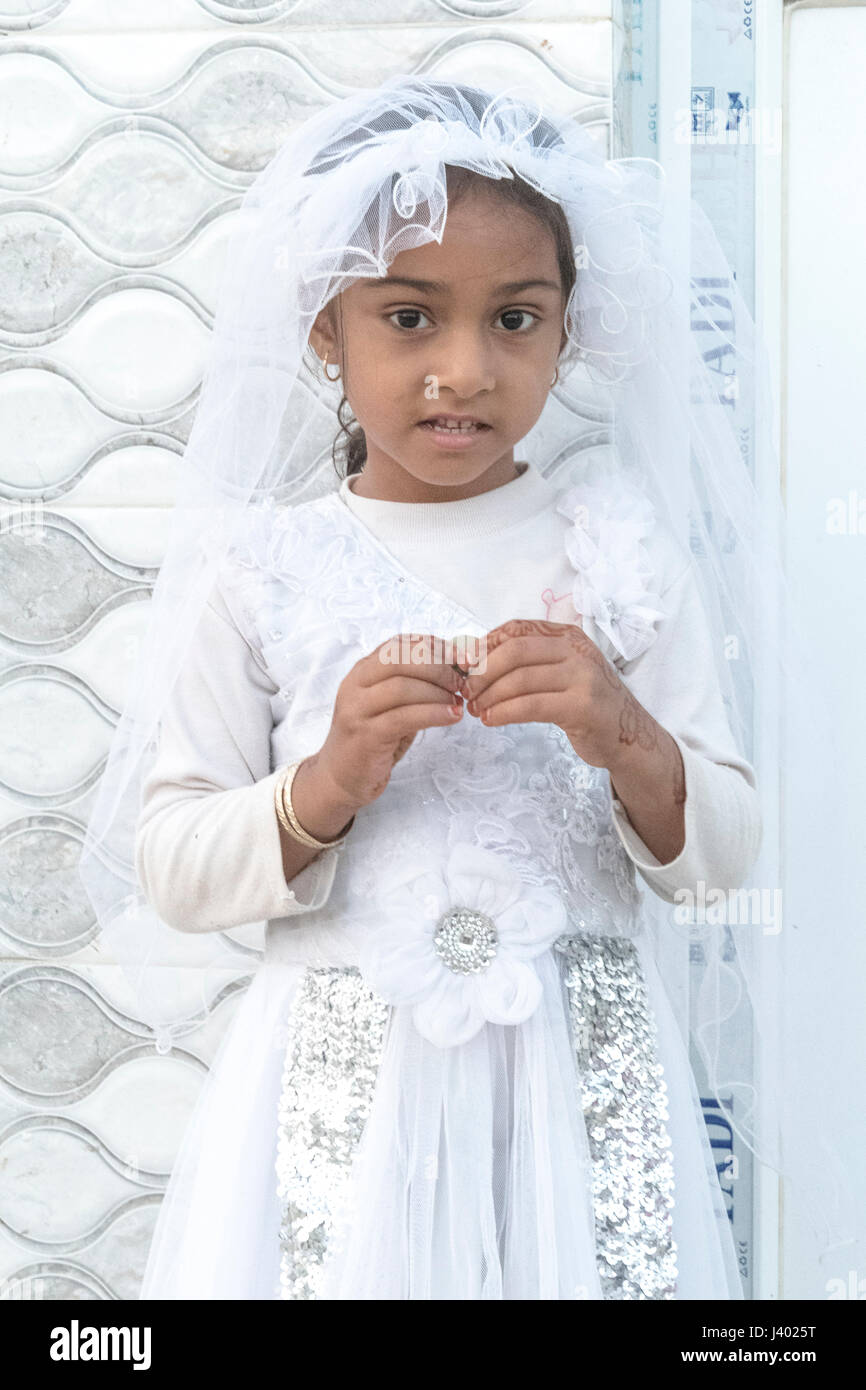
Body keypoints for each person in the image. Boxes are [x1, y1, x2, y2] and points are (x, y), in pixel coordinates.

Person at [80, 75, 788, 1300]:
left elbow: (721, 859)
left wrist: (621, 730)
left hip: (582, 1095)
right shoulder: (261, 571)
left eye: (514, 320)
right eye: (409, 318)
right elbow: (171, 859)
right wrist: (324, 785)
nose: (462, 369)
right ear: (324, 328)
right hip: (337, 1100)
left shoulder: (611, 546)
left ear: (568, 331)